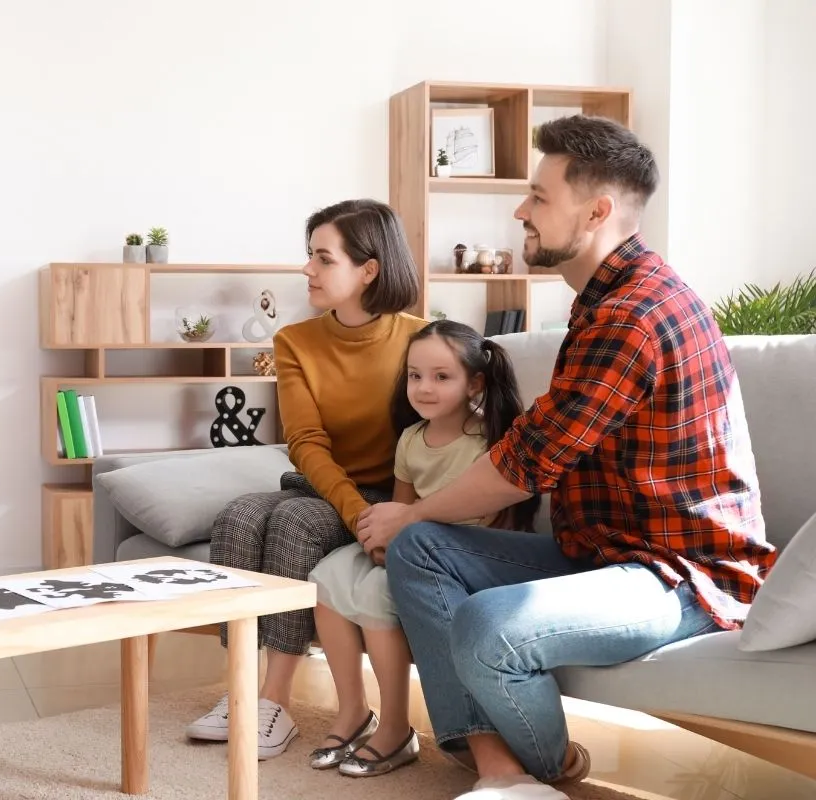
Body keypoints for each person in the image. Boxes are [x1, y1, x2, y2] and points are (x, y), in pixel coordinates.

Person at [357, 115, 778, 800]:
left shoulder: (632, 315)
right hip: (604, 552)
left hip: (678, 575)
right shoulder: (601, 300)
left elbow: (525, 465)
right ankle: (501, 772)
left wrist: (407, 512)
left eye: (539, 197)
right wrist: (414, 523)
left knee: (486, 623)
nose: (521, 210)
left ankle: (547, 768)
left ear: (598, 211)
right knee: (422, 549)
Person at [184, 199, 425, 758]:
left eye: (323, 258)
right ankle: (242, 689)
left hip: (389, 494)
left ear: (369, 270)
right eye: (309, 255)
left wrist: (376, 514)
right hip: (326, 487)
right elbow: (306, 443)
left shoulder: (423, 338)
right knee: (239, 516)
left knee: (293, 522)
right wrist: (350, 511)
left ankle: (274, 702)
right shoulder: (295, 341)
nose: (307, 270)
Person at [307, 320, 537, 778]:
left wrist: (403, 544)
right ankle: (352, 709)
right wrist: (379, 542)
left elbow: (494, 523)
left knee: (375, 595)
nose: (424, 388)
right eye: (415, 376)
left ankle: (395, 727)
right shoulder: (411, 440)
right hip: (411, 543)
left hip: (460, 555)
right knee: (326, 579)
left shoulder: (488, 443)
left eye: (441, 376)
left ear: (474, 383)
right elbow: (401, 508)